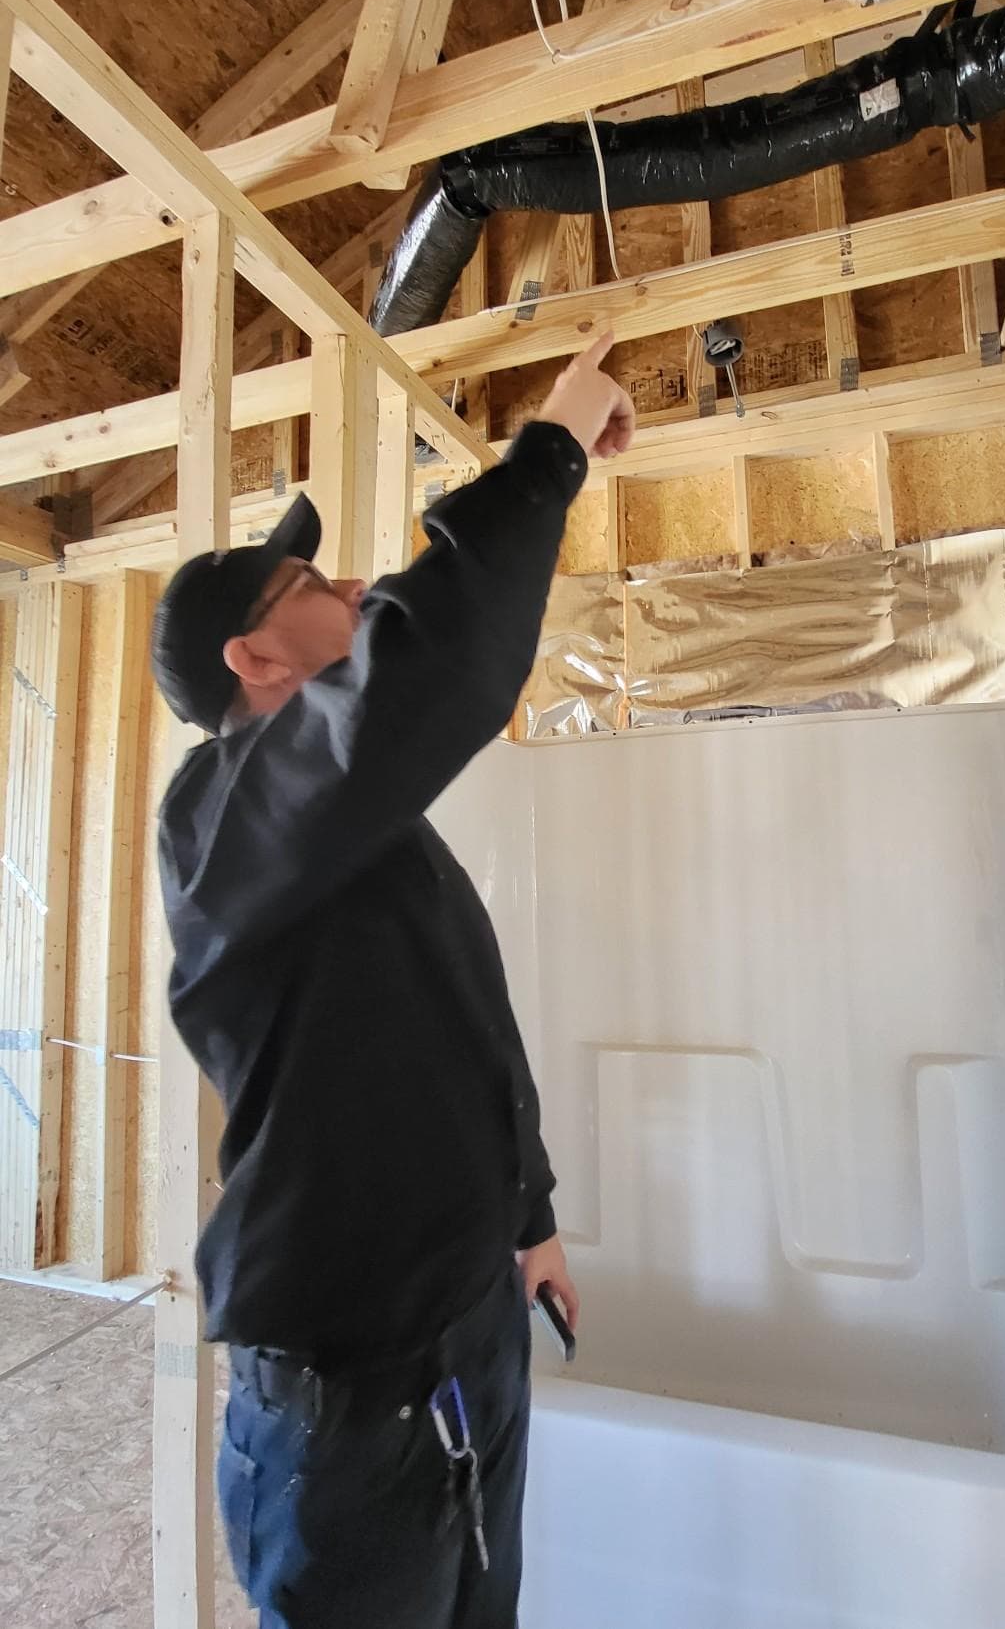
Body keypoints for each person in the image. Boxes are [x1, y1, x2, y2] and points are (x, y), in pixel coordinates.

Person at [150, 334, 635, 1629]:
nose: (354, 583)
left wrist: (525, 1219)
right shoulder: (217, 820)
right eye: (311, 583)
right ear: (253, 661)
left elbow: (465, 1025)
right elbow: (434, 667)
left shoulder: (358, 829)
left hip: (467, 1337)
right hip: (347, 1408)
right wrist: (547, 453)